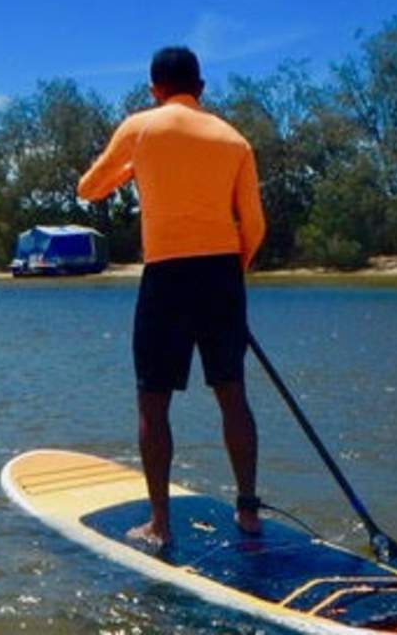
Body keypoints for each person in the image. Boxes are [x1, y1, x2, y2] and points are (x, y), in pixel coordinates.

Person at [77, 46, 267, 543]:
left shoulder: (140, 127)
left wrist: (131, 169)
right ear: (200, 88)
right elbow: (255, 225)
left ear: (154, 89)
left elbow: (88, 188)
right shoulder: (234, 139)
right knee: (232, 394)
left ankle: (160, 524)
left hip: (166, 276)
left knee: (153, 401)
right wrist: (233, 275)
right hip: (222, 276)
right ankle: (248, 512)